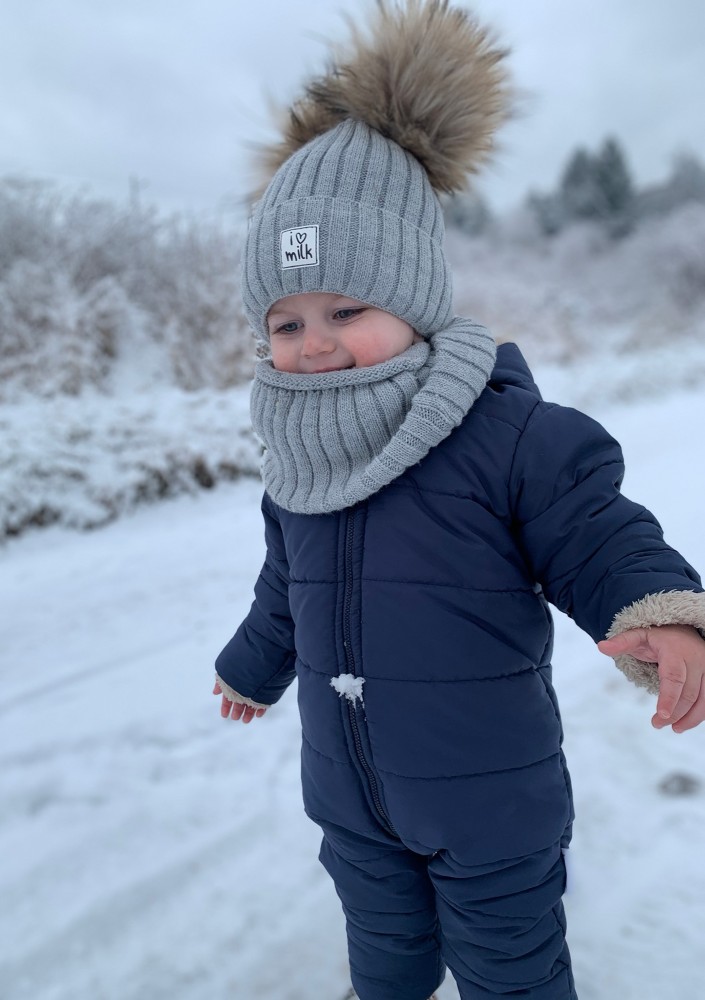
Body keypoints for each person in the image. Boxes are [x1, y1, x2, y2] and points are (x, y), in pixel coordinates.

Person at [212, 3, 705, 997]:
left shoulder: (506, 433)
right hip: (351, 805)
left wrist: (659, 615)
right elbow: (285, 582)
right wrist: (252, 666)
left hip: (492, 809)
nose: (314, 342)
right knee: (382, 969)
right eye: (287, 319)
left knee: (511, 975)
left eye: (347, 310)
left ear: (415, 297)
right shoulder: (297, 454)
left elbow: (595, 531)